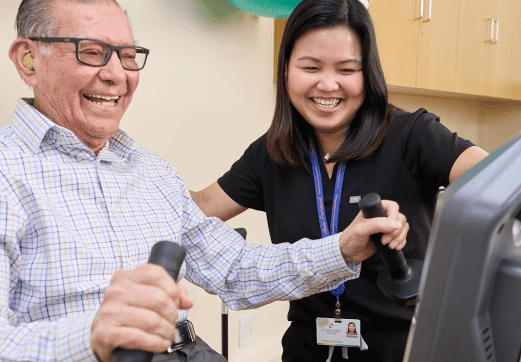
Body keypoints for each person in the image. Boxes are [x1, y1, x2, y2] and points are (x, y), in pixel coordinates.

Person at [0, 1, 409, 361]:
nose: (117, 74)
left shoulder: (151, 171)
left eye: (127, 55)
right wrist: (94, 335)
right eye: (92, 52)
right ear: (27, 60)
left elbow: (235, 270)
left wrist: (343, 247)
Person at [190, 0, 489, 361]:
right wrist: (126, 172)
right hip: (308, 346)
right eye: (310, 67)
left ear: (368, 72)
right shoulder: (272, 152)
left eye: (347, 69)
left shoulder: (412, 134)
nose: (328, 84)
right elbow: (203, 206)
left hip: (406, 349)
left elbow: (504, 180)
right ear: (286, 69)